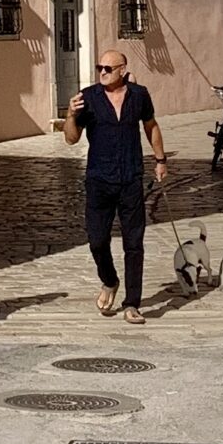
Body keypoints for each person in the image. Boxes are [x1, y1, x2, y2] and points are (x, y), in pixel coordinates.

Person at [61, 47, 166, 321]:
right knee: (97, 240)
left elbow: (151, 126)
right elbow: (71, 139)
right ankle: (109, 280)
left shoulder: (139, 95)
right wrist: (70, 114)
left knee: (134, 243)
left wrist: (160, 159)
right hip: (99, 180)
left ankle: (132, 303)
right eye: (100, 69)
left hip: (131, 178)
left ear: (122, 70)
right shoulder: (88, 98)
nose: (103, 73)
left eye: (108, 69)